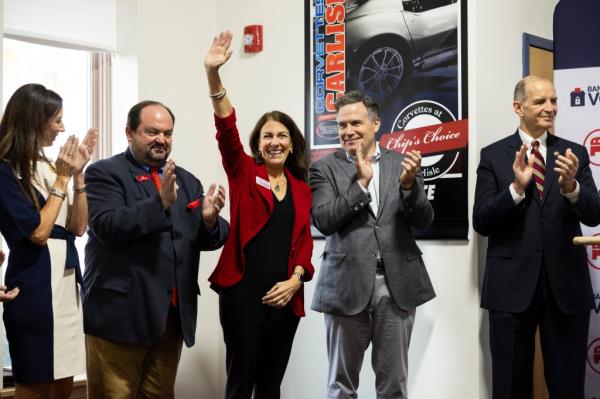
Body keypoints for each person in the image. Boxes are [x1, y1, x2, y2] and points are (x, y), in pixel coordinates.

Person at [83, 100, 229, 398]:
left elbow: (201, 237)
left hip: (170, 318)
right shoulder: (103, 173)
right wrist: (159, 203)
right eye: (152, 132)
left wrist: (210, 221)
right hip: (120, 316)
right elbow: (107, 227)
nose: (161, 139)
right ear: (129, 132)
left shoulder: (186, 180)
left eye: (168, 133)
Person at [473, 75, 600, 399]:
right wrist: (515, 189)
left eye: (554, 101)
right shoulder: (494, 156)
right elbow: (481, 221)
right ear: (519, 107)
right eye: (541, 101)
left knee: (568, 386)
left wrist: (572, 187)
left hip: (566, 288)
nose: (551, 108)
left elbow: (594, 213)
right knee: (510, 387)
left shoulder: (574, 154)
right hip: (511, 289)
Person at [204, 31, 314, 399]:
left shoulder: (301, 186)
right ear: (258, 142)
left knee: (271, 385)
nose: (275, 142)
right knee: (240, 383)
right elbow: (226, 128)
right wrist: (214, 76)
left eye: (282, 135)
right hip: (243, 293)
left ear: (292, 142)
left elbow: (303, 242)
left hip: (285, 295)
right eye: (268, 135)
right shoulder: (244, 171)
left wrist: (296, 280)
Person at [310, 90, 435, 398]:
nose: (347, 131)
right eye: (341, 125)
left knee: (393, 386)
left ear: (376, 123)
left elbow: (424, 219)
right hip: (345, 285)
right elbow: (324, 220)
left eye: (355, 122)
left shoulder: (401, 164)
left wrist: (409, 187)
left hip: (396, 285)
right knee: (341, 386)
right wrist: (361, 184)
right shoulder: (323, 168)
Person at [0, 83, 97, 398]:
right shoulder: (5, 169)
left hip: (67, 287)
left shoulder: (49, 166)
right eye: (56, 120)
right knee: (36, 383)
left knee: (63, 386)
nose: (62, 128)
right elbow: (38, 232)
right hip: (34, 286)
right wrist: (62, 178)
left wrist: (78, 175)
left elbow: (78, 227)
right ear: (33, 119)